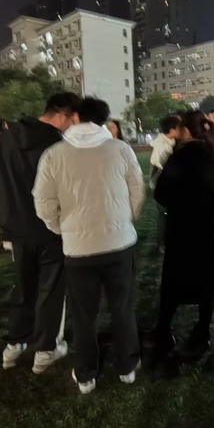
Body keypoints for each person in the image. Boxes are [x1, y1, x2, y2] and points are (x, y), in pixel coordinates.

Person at [33, 97, 145, 394]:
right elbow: (138, 189)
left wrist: (62, 229)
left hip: (78, 249)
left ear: (76, 116)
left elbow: (43, 202)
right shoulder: (119, 149)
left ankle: (86, 374)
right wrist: (126, 219)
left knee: (83, 315)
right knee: (122, 308)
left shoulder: (54, 154)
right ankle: (127, 366)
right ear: (104, 119)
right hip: (119, 243)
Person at [0, 92, 82, 372]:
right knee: (50, 289)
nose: (72, 126)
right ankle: (45, 349)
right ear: (64, 115)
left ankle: (14, 344)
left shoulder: (9, 137)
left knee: (24, 286)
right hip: (49, 228)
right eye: (73, 120)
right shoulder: (56, 145)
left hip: (16, 226)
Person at [153, 110, 214, 355]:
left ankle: (163, 331)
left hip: (181, 229)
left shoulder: (180, 157)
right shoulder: (213, 156)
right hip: (208, 229)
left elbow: (160, 193)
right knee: (207, 284)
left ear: (185, 130)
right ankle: (202, 331)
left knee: (173, 283)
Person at [150, 114, 182, 253]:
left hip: (165, 183)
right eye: (179, 127)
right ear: (172, 130)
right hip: (161, 184)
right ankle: (161, 243)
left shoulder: (169, 142)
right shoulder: (163, 147)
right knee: (164, 214)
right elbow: (159, 169)